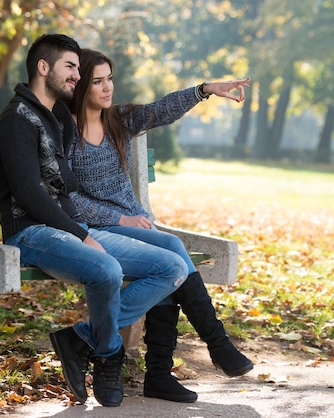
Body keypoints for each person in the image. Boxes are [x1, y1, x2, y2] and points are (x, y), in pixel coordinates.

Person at [0, 35, 189, 407]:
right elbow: (30, 196)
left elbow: (70, 185)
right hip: (29, 233)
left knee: (173, 266)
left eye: (80, 70)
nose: (77, 76)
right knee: (108, 271)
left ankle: (80, 338)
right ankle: (109, 355)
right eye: (71, 67)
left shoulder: (58, 117)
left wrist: (92, 225)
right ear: (42, 67)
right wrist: (81, 233)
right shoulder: (15, 121)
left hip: (69, 228)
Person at [68, 48, 254, 403]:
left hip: (133, 226)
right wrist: (121, 217)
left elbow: (160, 110)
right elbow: (69, 198)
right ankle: (215, 344)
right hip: (96, 230)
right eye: (97, 81)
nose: (107, 88)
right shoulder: (65, 132)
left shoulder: (117, 120)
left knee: (166, 253)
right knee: (169, 249)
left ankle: (160, 374)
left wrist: (205, 90)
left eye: (110, 79)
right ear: (81, 87)